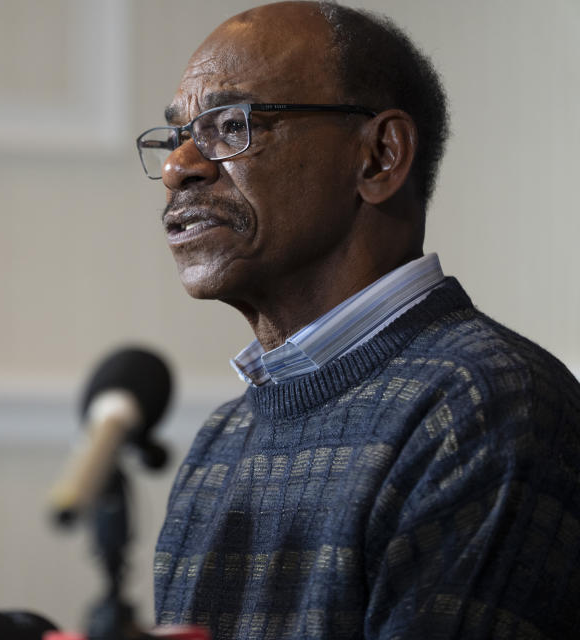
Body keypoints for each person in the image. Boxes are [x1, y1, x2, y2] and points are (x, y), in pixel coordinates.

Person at [135, 2, 580, 638]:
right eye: (175, 137)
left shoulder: (487, 405)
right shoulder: (219, 442)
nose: (179, 167)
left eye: (229, 125)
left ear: (378, 157)